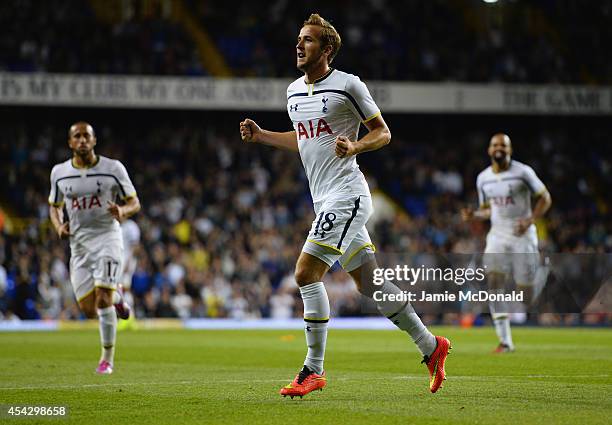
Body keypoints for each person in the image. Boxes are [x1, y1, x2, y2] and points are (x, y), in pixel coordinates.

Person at [240, 14, 451, 398]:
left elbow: (382, 132)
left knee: (305, 274)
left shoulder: (348, 85)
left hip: (348, 194)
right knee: (370, 283)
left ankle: (312, 370)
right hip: (324, 198)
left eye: (308, 40)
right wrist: (263, 136)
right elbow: (304, 140)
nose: (299, 46)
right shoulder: (292, 92)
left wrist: (355, 146)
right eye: (298, 40)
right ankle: (431, 346)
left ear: (328, 49)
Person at [49, 122, 140, 374]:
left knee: (102, 300)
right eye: (76, 136)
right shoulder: (59, 173)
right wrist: (58, 225)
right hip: (78, 245)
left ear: (94, 140)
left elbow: (135, 202)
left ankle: (106, 360)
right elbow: (54, 205)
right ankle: (119, 297)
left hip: (108, 237)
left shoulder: (112, 169)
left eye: (86, 136)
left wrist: (122, 210)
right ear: (70, 142)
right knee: (90, 309)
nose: (82, 140)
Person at [462, 133, 551, 352]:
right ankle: (505, 341)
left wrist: (530, 220)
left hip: (523, 235)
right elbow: (488, 210)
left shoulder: (523, 173)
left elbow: (545, 198)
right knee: (494, 283)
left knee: (526, 297)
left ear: (510, 150)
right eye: (495, 145)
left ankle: (541, 274)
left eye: (503, 145)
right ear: (489, 150)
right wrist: (474, 215)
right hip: (498, 235)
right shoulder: (483, 178)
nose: (499, 148)